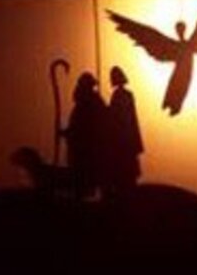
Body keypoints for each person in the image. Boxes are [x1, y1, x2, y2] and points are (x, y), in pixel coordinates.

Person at [61, 72, 107, 200]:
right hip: (80, 149)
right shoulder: (85, 103)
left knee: (85, 177)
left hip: (87, 150)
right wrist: (68, 132)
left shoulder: (92, 103)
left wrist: (69, 133)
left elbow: (85, 127)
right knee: (79, 179)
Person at [106, 66, 144, 196]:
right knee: (128, 176)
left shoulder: (118, 96)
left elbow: (117, 117)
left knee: (123, 176)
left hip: (122, 143)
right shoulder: (128, 95)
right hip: (129, 142)